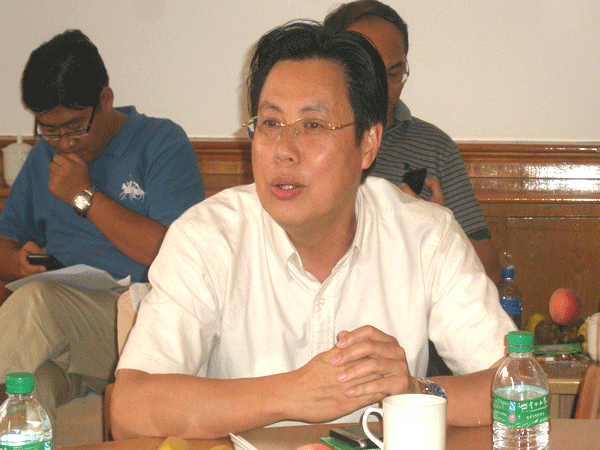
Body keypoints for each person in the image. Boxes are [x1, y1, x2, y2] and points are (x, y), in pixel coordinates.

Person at [111, 21, 515, 440]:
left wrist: (415, 393)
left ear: (368, 143)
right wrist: (292, 393)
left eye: (313, 125)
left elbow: (517, 385)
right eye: (270, 123)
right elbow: (129, 408)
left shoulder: (425, 236)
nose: (284, 150)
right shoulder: (206, 238)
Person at [0, 29, 205, 429]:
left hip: (142, 321)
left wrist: (85, 196)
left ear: (106, 100)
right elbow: (4, 241)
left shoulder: (160, 142)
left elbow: (177, 255)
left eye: (75, 127)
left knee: (38, 304)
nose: (64, 144)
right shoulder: (42, 158)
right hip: (71, 333)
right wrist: (16, 262)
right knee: (26, 389)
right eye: (50, 130)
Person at [324, 0, 501, 285]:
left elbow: (490, 270)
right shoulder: (312, 140)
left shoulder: (435, 147)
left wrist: (438, 223)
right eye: (370, 73)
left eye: (394, 73)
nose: (383, 87)